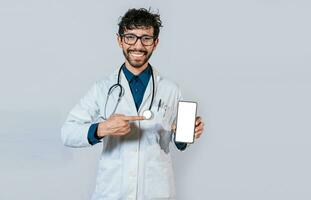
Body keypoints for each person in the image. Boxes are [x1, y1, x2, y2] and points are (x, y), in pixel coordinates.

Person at [61, 8, 205, 200]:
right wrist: (101, 128)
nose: (138, 45)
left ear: (155, 43)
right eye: (130, 37)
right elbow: (67, 133)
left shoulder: (170, 90)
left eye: (146, 38)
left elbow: (177, 142)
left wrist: (185, 134)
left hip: (155, 192)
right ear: (120, 40)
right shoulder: (102, 88)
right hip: (112, 192)